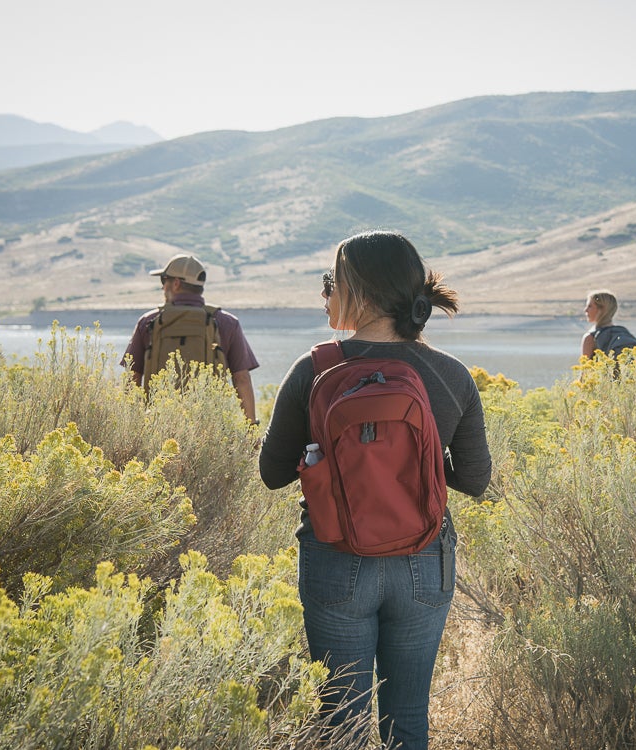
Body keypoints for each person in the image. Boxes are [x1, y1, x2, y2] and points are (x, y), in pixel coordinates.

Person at [259, 230, 491, 750]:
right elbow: (475, 479)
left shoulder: (315, 367)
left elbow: (272, 473)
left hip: (336, 555)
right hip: (425, 560)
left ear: (358, 292)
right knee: (407, 718)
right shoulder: (452, 374)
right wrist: (421, 462)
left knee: (340, 719)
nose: (326, 293)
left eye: (331, 282)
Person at [122, 253, 259, 423]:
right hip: (208, 428)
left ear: (176, 283)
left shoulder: (149, 322)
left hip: (158, 425)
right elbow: (241, 379)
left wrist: (131, 425)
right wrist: (251, 427)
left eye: (164, 280)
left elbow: (132, 378)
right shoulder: (227, 323)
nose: (162, 287)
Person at [581, 289, 618, 359]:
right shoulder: (622, 333)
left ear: (601, 309)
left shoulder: (590, 337)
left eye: (589, 306)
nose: (585, 310)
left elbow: (585, 368)